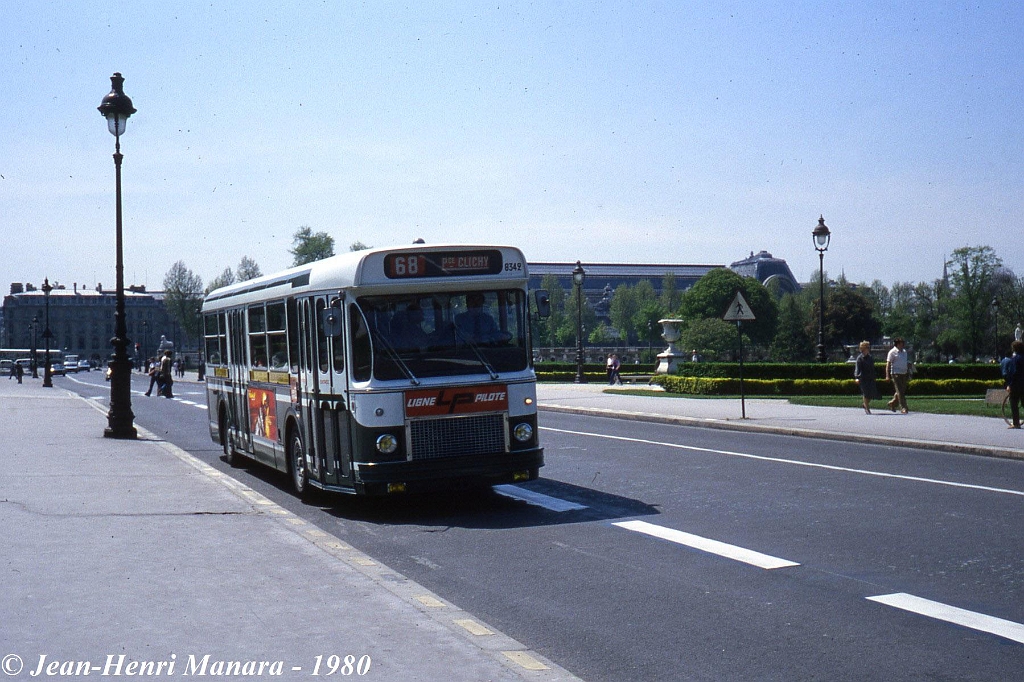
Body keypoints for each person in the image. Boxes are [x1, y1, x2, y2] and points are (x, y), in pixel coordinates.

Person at [1002, 340, 1024, 429]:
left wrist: (1009, 385)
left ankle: (1016, 423)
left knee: (1014, 403)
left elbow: (1013, 373)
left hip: (1017, 385)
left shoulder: (1015, 359)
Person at [885, 337, 910, 414]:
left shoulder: (904, 352)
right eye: (901, 343)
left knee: (901, 390)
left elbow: (905, 362)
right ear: (897, 344)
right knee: (900, 391)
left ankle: (892, 403)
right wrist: (887, 375)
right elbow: (888, 364)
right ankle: (903, 407)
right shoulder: (892, 352)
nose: (903, 344)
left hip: (904, 373)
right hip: (896, 373)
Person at [853, 341, 879, 414]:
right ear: (863, 348)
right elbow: (857, 369)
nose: (868, 348)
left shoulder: (870, 357)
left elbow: (872, 368)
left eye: (868, 347)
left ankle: (865, 404)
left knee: (871, 394)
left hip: (870, 378)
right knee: (866, 393)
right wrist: (857, 377)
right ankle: (867, 408)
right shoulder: (860, 358)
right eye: (867, 347)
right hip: (863, 378)